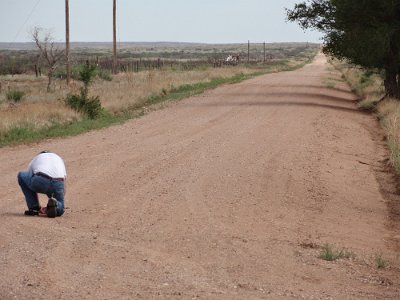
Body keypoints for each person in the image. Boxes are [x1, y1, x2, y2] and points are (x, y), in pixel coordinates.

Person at [17, 151, 67, 218]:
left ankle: (34, 208)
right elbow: (64, 179)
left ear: (40, 154)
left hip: (42, 179)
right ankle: (56, 204)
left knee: (21, 176)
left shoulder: (36, 158)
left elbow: (29, 176)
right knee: (61, 206)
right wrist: (59, 196)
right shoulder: (59, 158)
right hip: (59, 182)